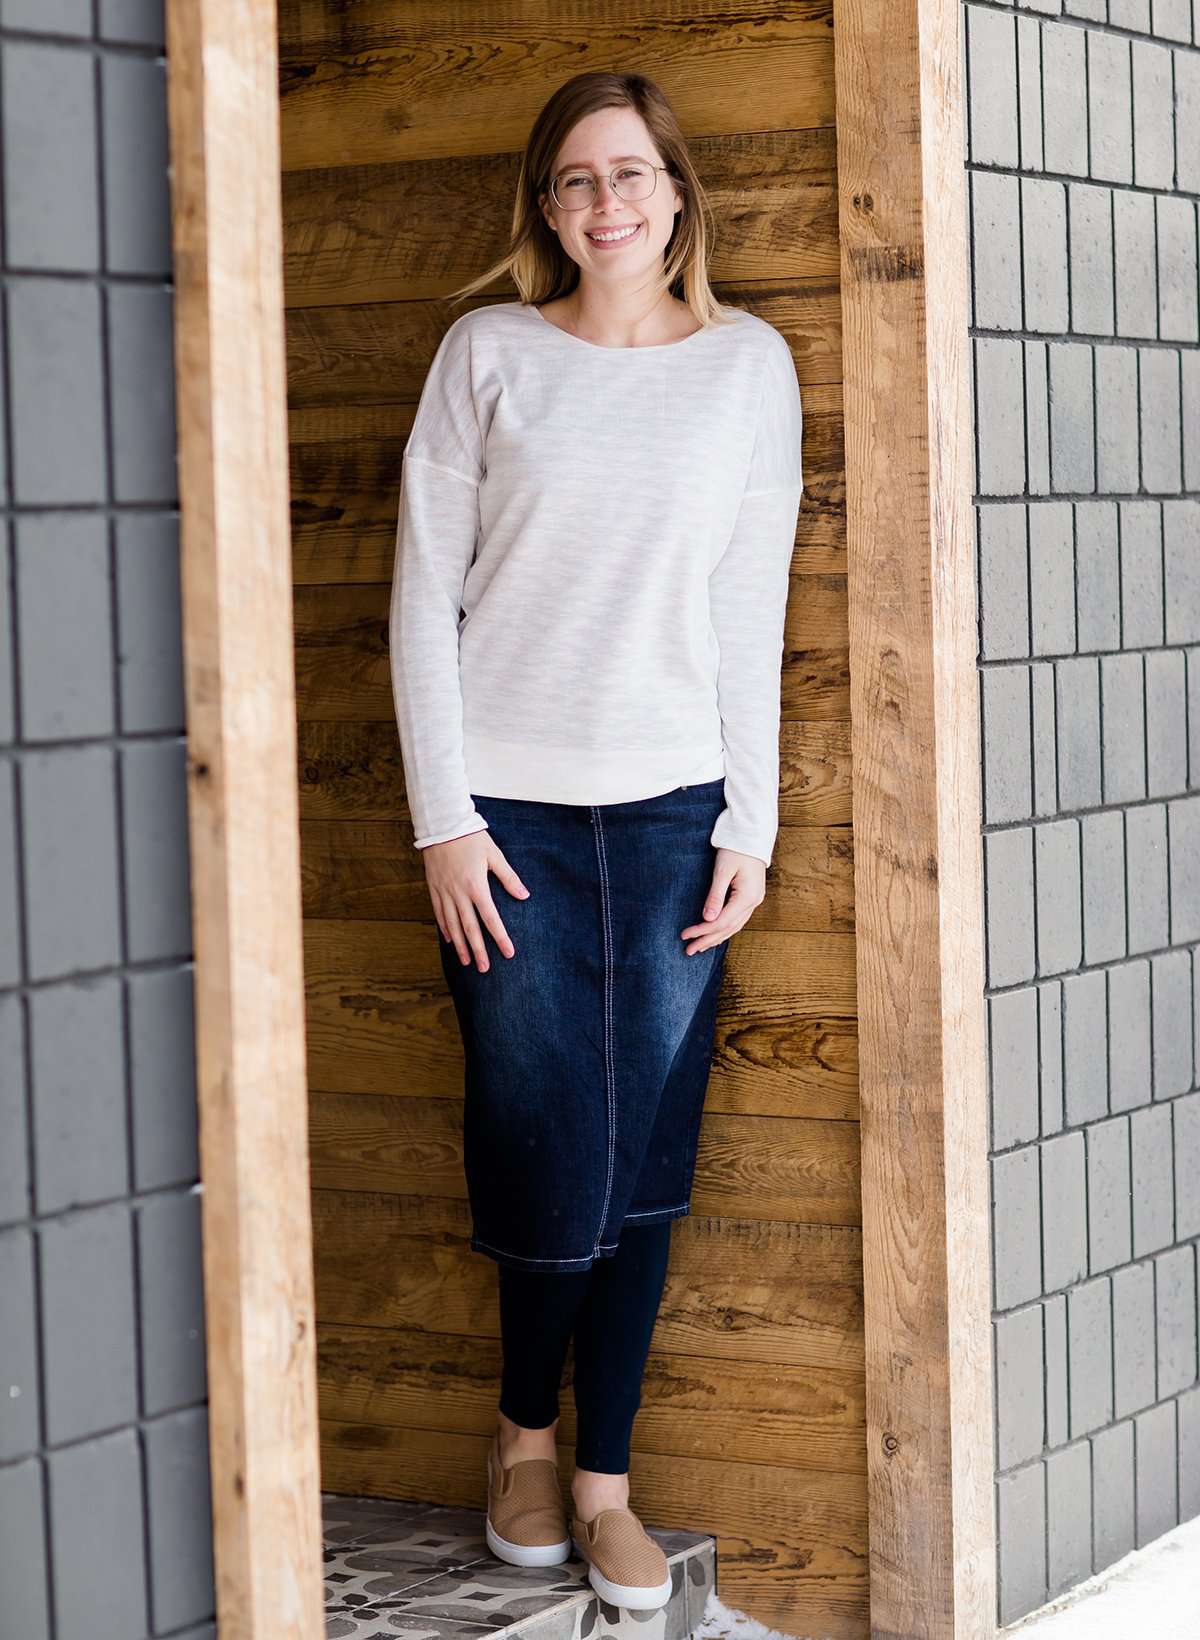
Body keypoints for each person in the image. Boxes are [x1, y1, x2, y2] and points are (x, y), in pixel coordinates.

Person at [388, 68, 803, 1613]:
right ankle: (519, 1441)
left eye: (629, 173)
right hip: (505, 825)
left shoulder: (748, 369)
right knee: (542, 1140)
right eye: (575, 181)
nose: (605, 203)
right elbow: (424, 596)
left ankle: (606, 1479)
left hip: (676, 813)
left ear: (678, 191)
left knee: (644, 1160)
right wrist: (444, 818)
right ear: (546, 208)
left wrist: (749, 820)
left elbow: (746, 607)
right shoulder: (485, 355)